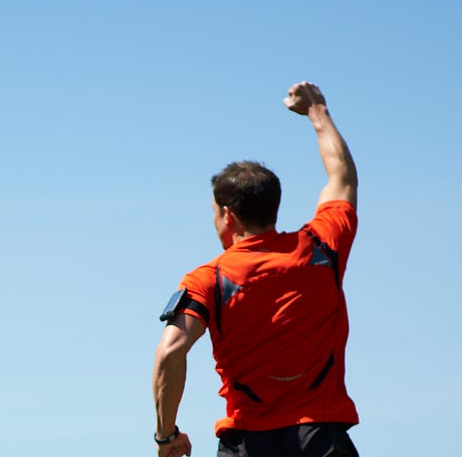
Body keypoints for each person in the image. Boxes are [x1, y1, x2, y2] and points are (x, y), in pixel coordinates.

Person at [152, 81, 361, 457]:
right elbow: (342, 179)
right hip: (321, 435)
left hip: (248, 442)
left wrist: (167, 435)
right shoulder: (321, 247)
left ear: (227, 215)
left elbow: (170, 353)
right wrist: (317, 111)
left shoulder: (209, 280)